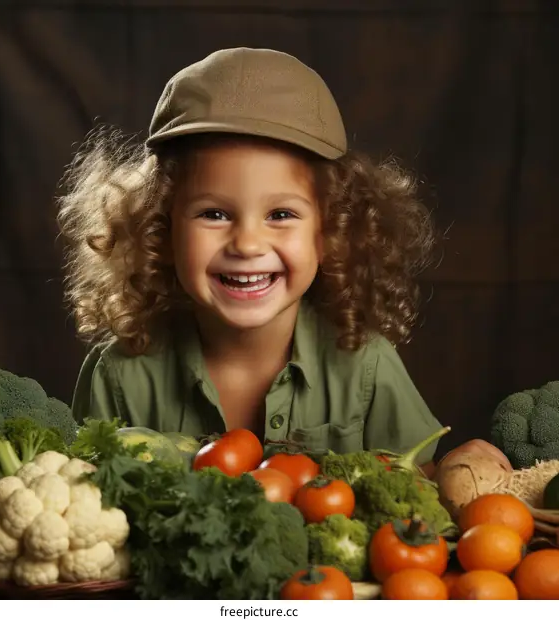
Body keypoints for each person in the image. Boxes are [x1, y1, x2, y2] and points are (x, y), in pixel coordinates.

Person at [57, 47, 477, 471]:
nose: (248, 244)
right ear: (160, 231)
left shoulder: (365, 364)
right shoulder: (119, 374)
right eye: (214, 214)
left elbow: (418, 490)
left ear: (331, 233)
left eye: (280, 214)